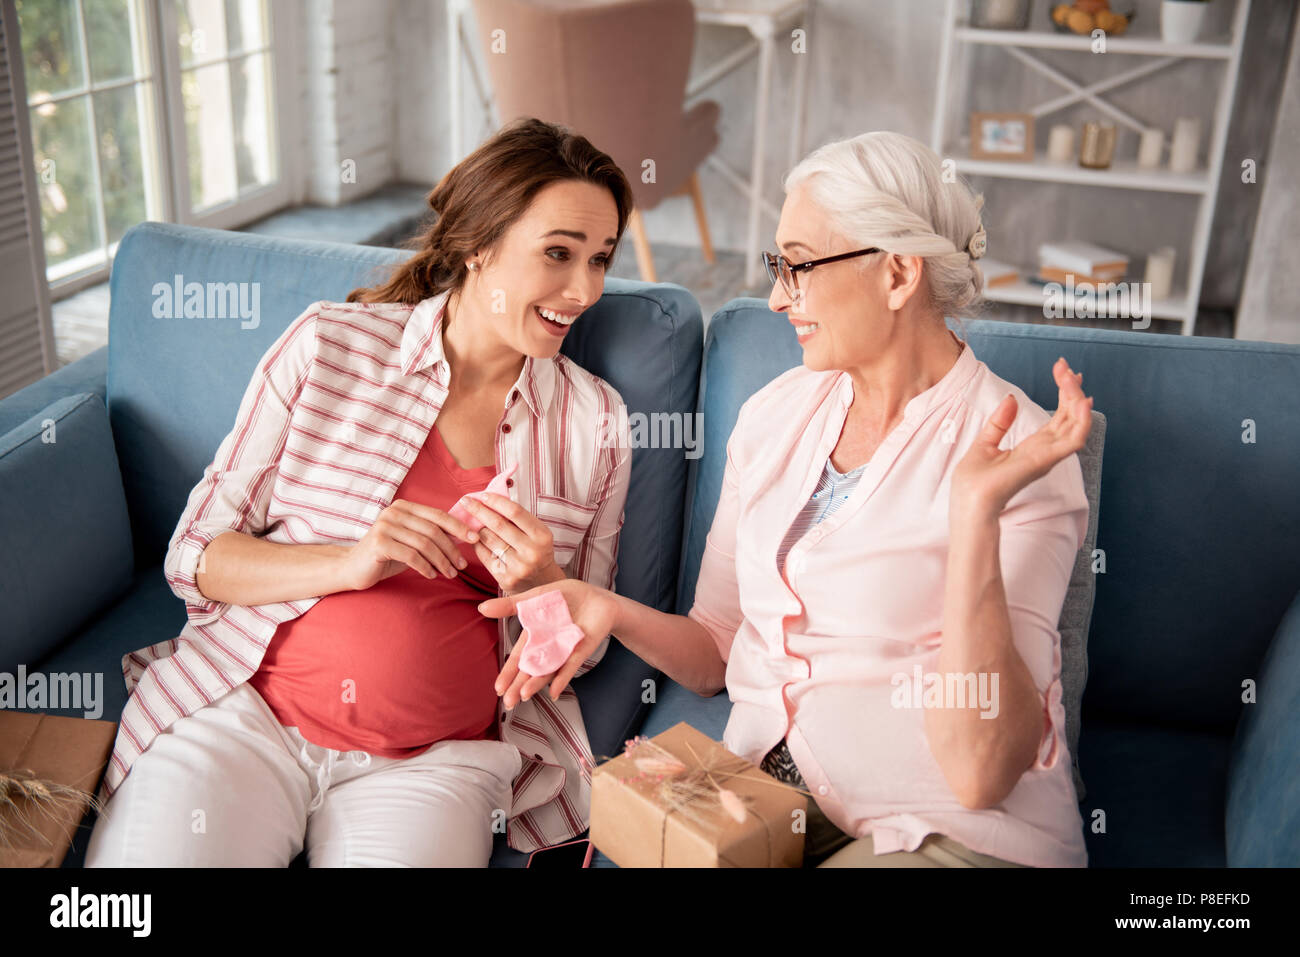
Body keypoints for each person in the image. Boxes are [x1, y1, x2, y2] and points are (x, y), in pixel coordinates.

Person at [481, 130, 1095, 868]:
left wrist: (973, 519)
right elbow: (716, 646)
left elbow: (982, 772)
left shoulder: (1020, 459)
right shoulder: (777, 413)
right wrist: (606, 607)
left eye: (797, 266)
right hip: (766, 806)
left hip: (942, 834)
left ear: (898, 274)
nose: (776, 297)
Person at [85, 118, 635, 867]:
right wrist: (348, 560)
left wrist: (544, 590)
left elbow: (585, 645)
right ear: (479, 244)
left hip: (432, 765)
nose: (585, 289)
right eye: (558, 254)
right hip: (247, 719)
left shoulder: (595, 420)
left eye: (600, 259)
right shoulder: (328, 346)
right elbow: (196, 556)